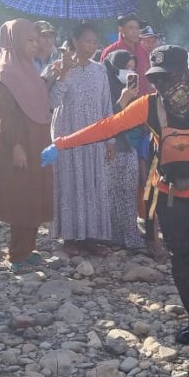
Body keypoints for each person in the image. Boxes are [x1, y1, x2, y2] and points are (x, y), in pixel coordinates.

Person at [41, 45, 189, 346]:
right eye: (157, 79)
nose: (161, 85)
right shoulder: (148, 105)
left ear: (183, 76)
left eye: (166, 78)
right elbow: (107, 127)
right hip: (169, 195)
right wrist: (62, 143)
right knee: (181, 260)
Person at [42, 24, 115, 256]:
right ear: (74, 41)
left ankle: (91, 237)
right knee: (70, 182)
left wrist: (110, 138)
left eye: (95, 42)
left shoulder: (100, 70)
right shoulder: (56, 67)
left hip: (94, 136)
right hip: (67, 133)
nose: (92, 46)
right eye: (87, 41)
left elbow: (106, 105)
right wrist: (63, 74)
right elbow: (50, 103)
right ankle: (70, 236)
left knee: (93, 183)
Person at [0, 19, 53, 273]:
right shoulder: (5, 72)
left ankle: (29, 248)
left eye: (36, 39)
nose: (35, 44)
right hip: (17, 141)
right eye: (30, 39)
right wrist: (16, 145)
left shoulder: (28, 68)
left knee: (35, 191)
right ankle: (17, 253)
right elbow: (5, 114)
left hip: (35, 138)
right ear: (14, 40)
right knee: (22, 195)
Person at [103, 49, 146, 251]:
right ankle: (117, 236)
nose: (129, 72)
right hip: (112, 146)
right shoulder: (104, 87)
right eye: (124, 67)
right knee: (114, 193)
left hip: (129, 145)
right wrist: (122, 100)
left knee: (127, 191)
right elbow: (108, 120)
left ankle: (130, 236)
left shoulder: (127, 88)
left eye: (132, 68)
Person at [100, 13, 151, 94]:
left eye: (137, 28)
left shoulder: (143, 50)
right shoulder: (109, 52)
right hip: (120, 104)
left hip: (143, 103)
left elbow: (148, 78)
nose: (135, 31)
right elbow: (103, 82)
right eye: (131, 28)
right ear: (121, 29)